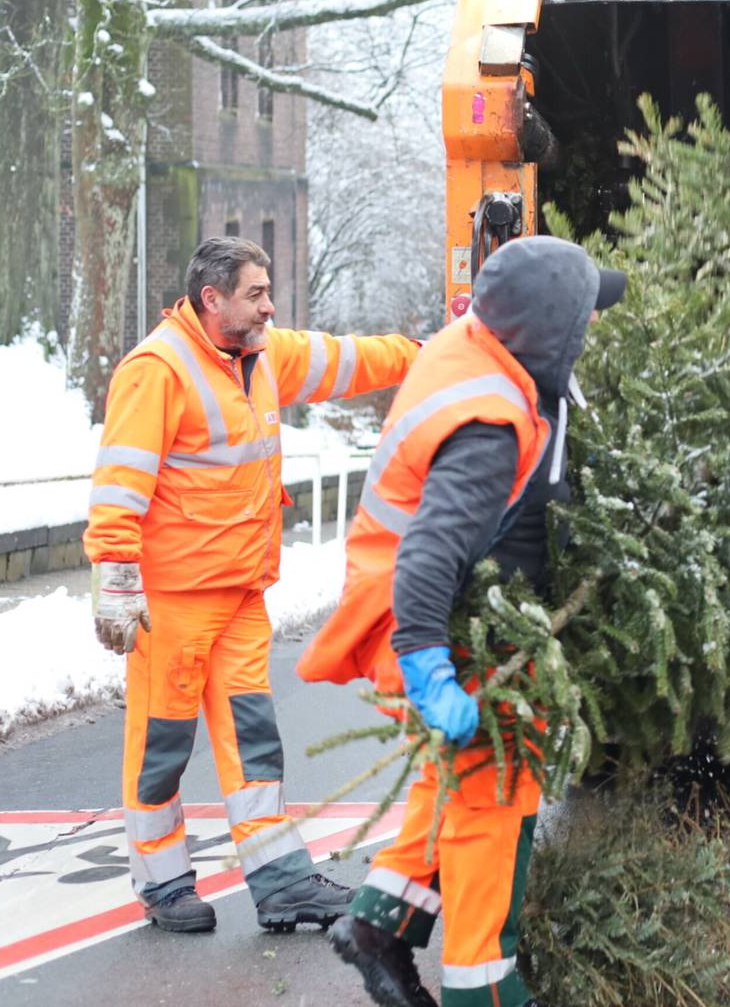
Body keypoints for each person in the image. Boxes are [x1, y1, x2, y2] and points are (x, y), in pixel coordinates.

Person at [299, 235, 625, 1007]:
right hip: (445, 625)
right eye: (582, 321)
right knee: (492, 799)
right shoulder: (489, 424)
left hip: (473, 612)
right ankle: (485, 986)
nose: (590, 334)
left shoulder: (482, 347)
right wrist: (427, 663)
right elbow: (429, 552)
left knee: (454, 783)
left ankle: (379, 923)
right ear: (549, 332)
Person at [85, 237, 421, 934]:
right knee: (162, 745)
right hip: (173, 604)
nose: (271, 305)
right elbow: (120, 480)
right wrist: (116, 576)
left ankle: (283, 882)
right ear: (213, 299)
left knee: (255, 743)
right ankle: (163, 879)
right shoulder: (158, 369)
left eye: (269, 292)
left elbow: (348, 359)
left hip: (241, 593)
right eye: (256, 293)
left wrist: (430, 352)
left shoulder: (264, 356)